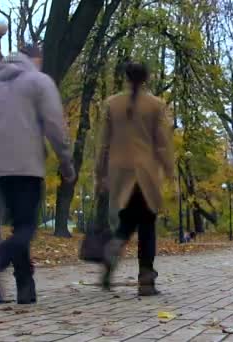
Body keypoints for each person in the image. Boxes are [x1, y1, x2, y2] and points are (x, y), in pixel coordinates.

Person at [0, 43, 74, 305]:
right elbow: (54, 125)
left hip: (1, 169)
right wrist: (65, 161)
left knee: (19, 227)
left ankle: (25, 289)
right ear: (36, 60)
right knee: (27, 227)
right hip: (28, 165)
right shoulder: (39, 82)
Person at [96, 62, 174, 296]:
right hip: (146, 173)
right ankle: (146, 278)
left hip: (120, 173)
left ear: (125, 77)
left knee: (127, 221)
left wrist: (99, 174)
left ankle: (112, 253)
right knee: (147, 225)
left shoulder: (111, 104)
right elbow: (162, 144)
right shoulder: (156, 105)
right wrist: (171, 172)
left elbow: (104, 144)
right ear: (146, 79)